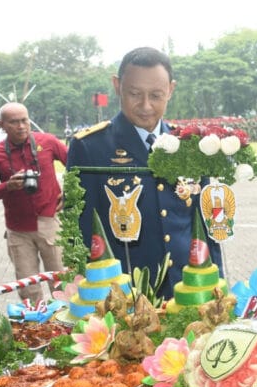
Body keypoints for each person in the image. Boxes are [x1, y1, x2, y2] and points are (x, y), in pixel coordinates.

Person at [67, 47, 221, 300]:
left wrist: (215, 283)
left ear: (171, 89)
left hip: (190, 290)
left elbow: (206, 226)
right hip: (124, 295)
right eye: (135, 94)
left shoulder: (191, 146)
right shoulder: (90, 147)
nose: (146, 106)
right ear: (117, 86)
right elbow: (81, 230)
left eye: (156, 95)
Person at [0, 102, 67, 304]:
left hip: (49, 222)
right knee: (28, 288)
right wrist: (7, 187)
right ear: (1, 124)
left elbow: (76, 163)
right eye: (14, 122)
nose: (21, 126)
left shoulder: (48, 142)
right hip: (18, 230)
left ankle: (65, 325)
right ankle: (37, 329)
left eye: (24, 120)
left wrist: (69, 192)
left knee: (61, 283)